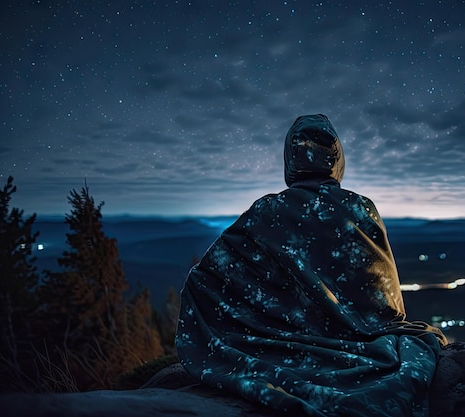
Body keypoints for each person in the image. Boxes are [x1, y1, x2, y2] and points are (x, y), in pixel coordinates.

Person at [175, 114, 446, 417]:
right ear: (337, 158)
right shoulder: (361, 207)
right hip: (364, 338)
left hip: (280, 339)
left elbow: (205, 278)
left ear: (290, 160)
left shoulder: (268, 210)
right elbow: (386, 300)